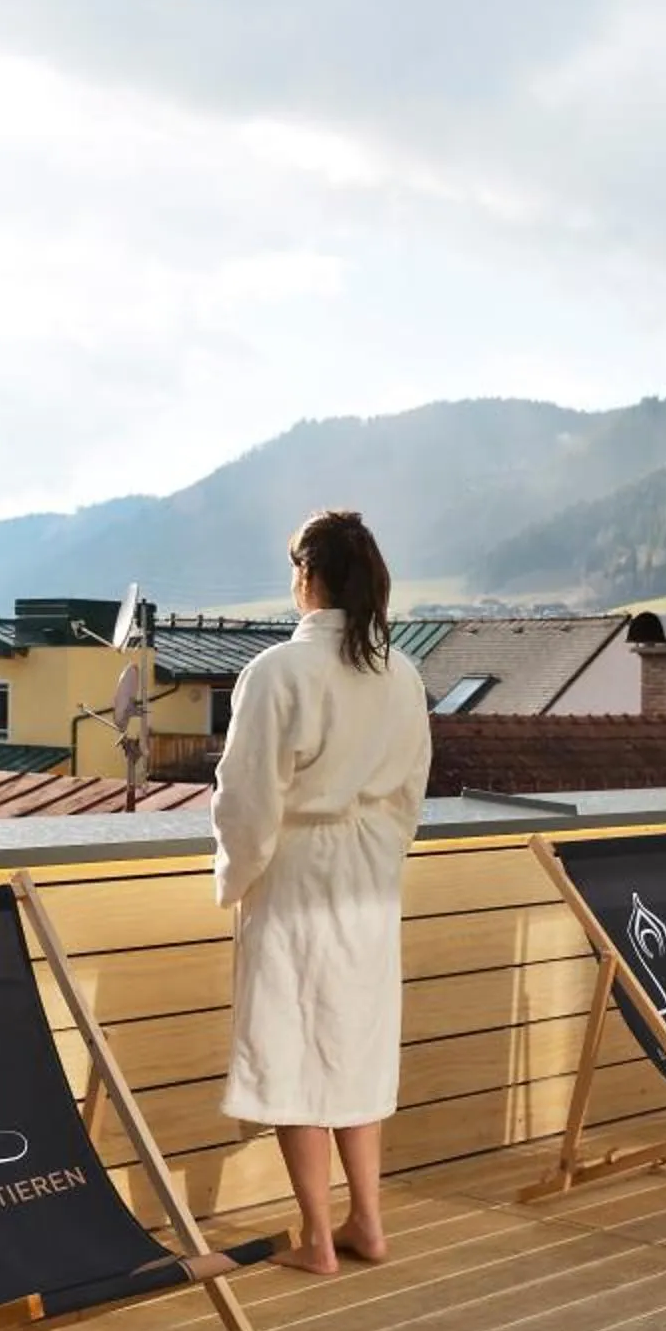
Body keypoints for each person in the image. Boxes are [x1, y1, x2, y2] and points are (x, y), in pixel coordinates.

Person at [213, 509, 432, 1274]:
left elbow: (246, 796)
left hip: (300, 878)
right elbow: (412, 792)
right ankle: (367, 1223)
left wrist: (237, 875)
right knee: (355, 1047)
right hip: (371, 881)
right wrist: (382, 858)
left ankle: (316, 1238)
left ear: (307, 574)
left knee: (295, 1047)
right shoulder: (400, 674)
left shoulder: (278, 671)